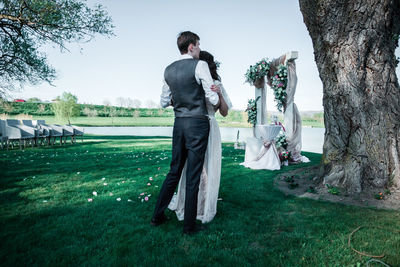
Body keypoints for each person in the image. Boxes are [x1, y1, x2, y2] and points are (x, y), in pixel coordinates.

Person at [151, 31, 220, 235]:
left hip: (179, 124)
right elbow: (213, 101)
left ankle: (157, 216)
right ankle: (189, 226)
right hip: (198, 123)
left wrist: (180, 99)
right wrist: (215, 94)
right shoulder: (200, 65)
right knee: (193, 175)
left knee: (174, 170)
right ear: (191, 47)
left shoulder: (168, 70)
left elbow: (164, 102)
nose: (199, 49)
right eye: (198, 45)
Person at [168, 51, 232, 224]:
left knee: (208, 167)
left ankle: (204, 206)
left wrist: (219, 94)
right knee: (191, 168)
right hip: (192, 127)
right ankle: (188, 206)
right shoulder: (191, 83)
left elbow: (224, 112)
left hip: (210, 127)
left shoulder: (215, 84)